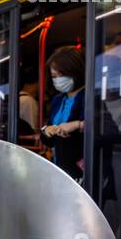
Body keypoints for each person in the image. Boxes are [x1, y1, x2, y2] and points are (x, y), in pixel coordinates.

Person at [41, 45, 86, 178]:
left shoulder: (89, 96)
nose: (58, 80)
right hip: (59, 169)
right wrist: (46, 131)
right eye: (54, 76)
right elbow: (48, 138)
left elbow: (102, 127)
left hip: (81, 171)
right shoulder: (58, 100)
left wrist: (77, 124)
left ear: (76, 71)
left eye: (62, 74)